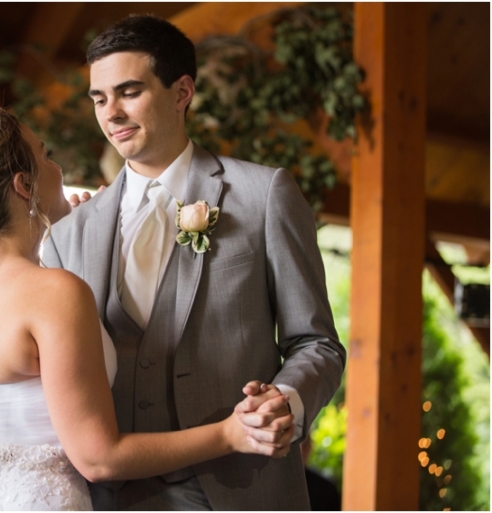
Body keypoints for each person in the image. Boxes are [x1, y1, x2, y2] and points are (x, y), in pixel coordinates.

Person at [0, 107, 296, 510]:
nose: (57, 168)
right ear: (24, 185)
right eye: (45, 156)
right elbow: (100, 458)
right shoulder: (52, 292)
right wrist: (230, 434)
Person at [41, 14, 347, 510]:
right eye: (99, 98)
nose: (111, 113)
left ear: (181, 92)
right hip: (107, 498)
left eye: (129, 92)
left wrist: (283, 403)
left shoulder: (263, 194)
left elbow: (316, 342)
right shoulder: (68, 235)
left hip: (241, 489)